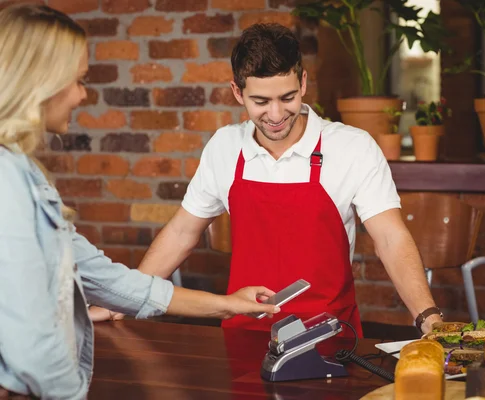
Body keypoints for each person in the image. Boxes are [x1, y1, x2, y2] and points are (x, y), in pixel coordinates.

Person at [0, 4, 280, 399]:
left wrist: (228, 304)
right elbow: (32, 339)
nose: (83, 95)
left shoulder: (23, 175)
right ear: (40, 84)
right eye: (78, 80)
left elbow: (108, 279)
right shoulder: (7, 181)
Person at [92, 23, 443, 337]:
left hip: (327, 335)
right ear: (237, 92)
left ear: (303, 83)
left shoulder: (352, 147)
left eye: (287, 97)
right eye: (260, 101)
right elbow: (183, 232)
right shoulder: (225, 147)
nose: (276, 115)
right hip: (243, 336)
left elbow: (390, 238)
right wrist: (125, 300)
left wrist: (427, 317)